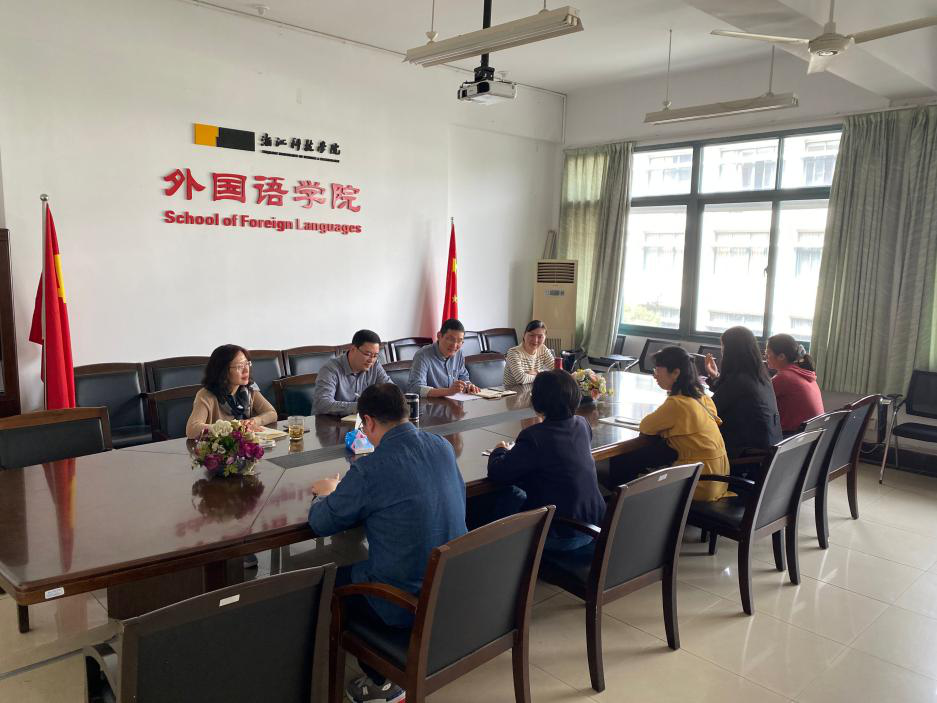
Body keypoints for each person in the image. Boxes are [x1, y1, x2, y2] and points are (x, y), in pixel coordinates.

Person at [307, 384, 466, 703]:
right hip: (452, 589)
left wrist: (325, 494)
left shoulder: (371, 468)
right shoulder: (442, 446)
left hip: (404, 604)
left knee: (327, 581)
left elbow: (321, 523)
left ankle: (381, 681)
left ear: (367, 422)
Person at [487, 369, 606, 551]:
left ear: (538, 401)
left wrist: (499, 450)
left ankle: (501, 556)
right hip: (594, 526)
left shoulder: (534, 437)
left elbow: (498, 473)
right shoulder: (582, 424)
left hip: (560, 534)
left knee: (503, 497)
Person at [609, 346, 729, 502]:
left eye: (658, 370)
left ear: (676, 373)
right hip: (719, 477)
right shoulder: (701, 396)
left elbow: (646, 426)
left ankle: (620, 504)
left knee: (623, 460)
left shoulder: (677, 403)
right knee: (649, 456)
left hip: (700, 482)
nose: (655, 375)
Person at [703, 326, 782, 457]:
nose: (722, 351)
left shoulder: (738, 381)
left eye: (723, 347)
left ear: (731, 351)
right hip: (767, 447)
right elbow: (728, 397)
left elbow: (709, 411)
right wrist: (715, 376)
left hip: (747, 454)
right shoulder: (760, 377)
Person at [185, 345, 277, 440]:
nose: (246, 370)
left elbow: (272, 413)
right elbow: (192, 430)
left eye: (247, 364)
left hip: (245, 446)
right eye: (240, 366)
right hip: (220, 448)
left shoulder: (249, 389)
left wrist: (253, 421)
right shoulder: (206, 395)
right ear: (223, 371)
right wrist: (233, 427)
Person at [313, 329, 391, 415]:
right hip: (329, 421)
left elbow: (391, 391)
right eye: (367, 354)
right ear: (353, 349)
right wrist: (363, 407)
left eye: (375, 355)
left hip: (361, 421)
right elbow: (323, 404)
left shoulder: (375, 365)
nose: (371, 360)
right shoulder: (330, 369)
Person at [766, 333, 824, 434]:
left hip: (793, 437)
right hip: (811, 437)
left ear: (781, 356)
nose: (766, 356)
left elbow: (759, 400)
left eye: (768, 353)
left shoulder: (784, 377)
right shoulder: (805, 373)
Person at [407, 318, 480, 397]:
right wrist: (448, 391)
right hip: (430, 404)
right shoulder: (423, 355)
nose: (455, 345)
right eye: (451, 339)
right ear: (439, 336)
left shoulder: (459, 354)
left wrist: (468, 385)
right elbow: (416, 388)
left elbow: (463, 377)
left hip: (453, 402)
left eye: (459, 341)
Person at [503, 320, 555, 385]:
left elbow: (557, 370)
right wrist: (542, 376)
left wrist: (537, 372)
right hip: (513, 390)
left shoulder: (543, 349)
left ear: (545, 338)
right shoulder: (514, 352)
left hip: (532, 389)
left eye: (540, 336)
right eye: (531, 335)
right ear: (524, 335)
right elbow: (521, 379)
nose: (535, 340)